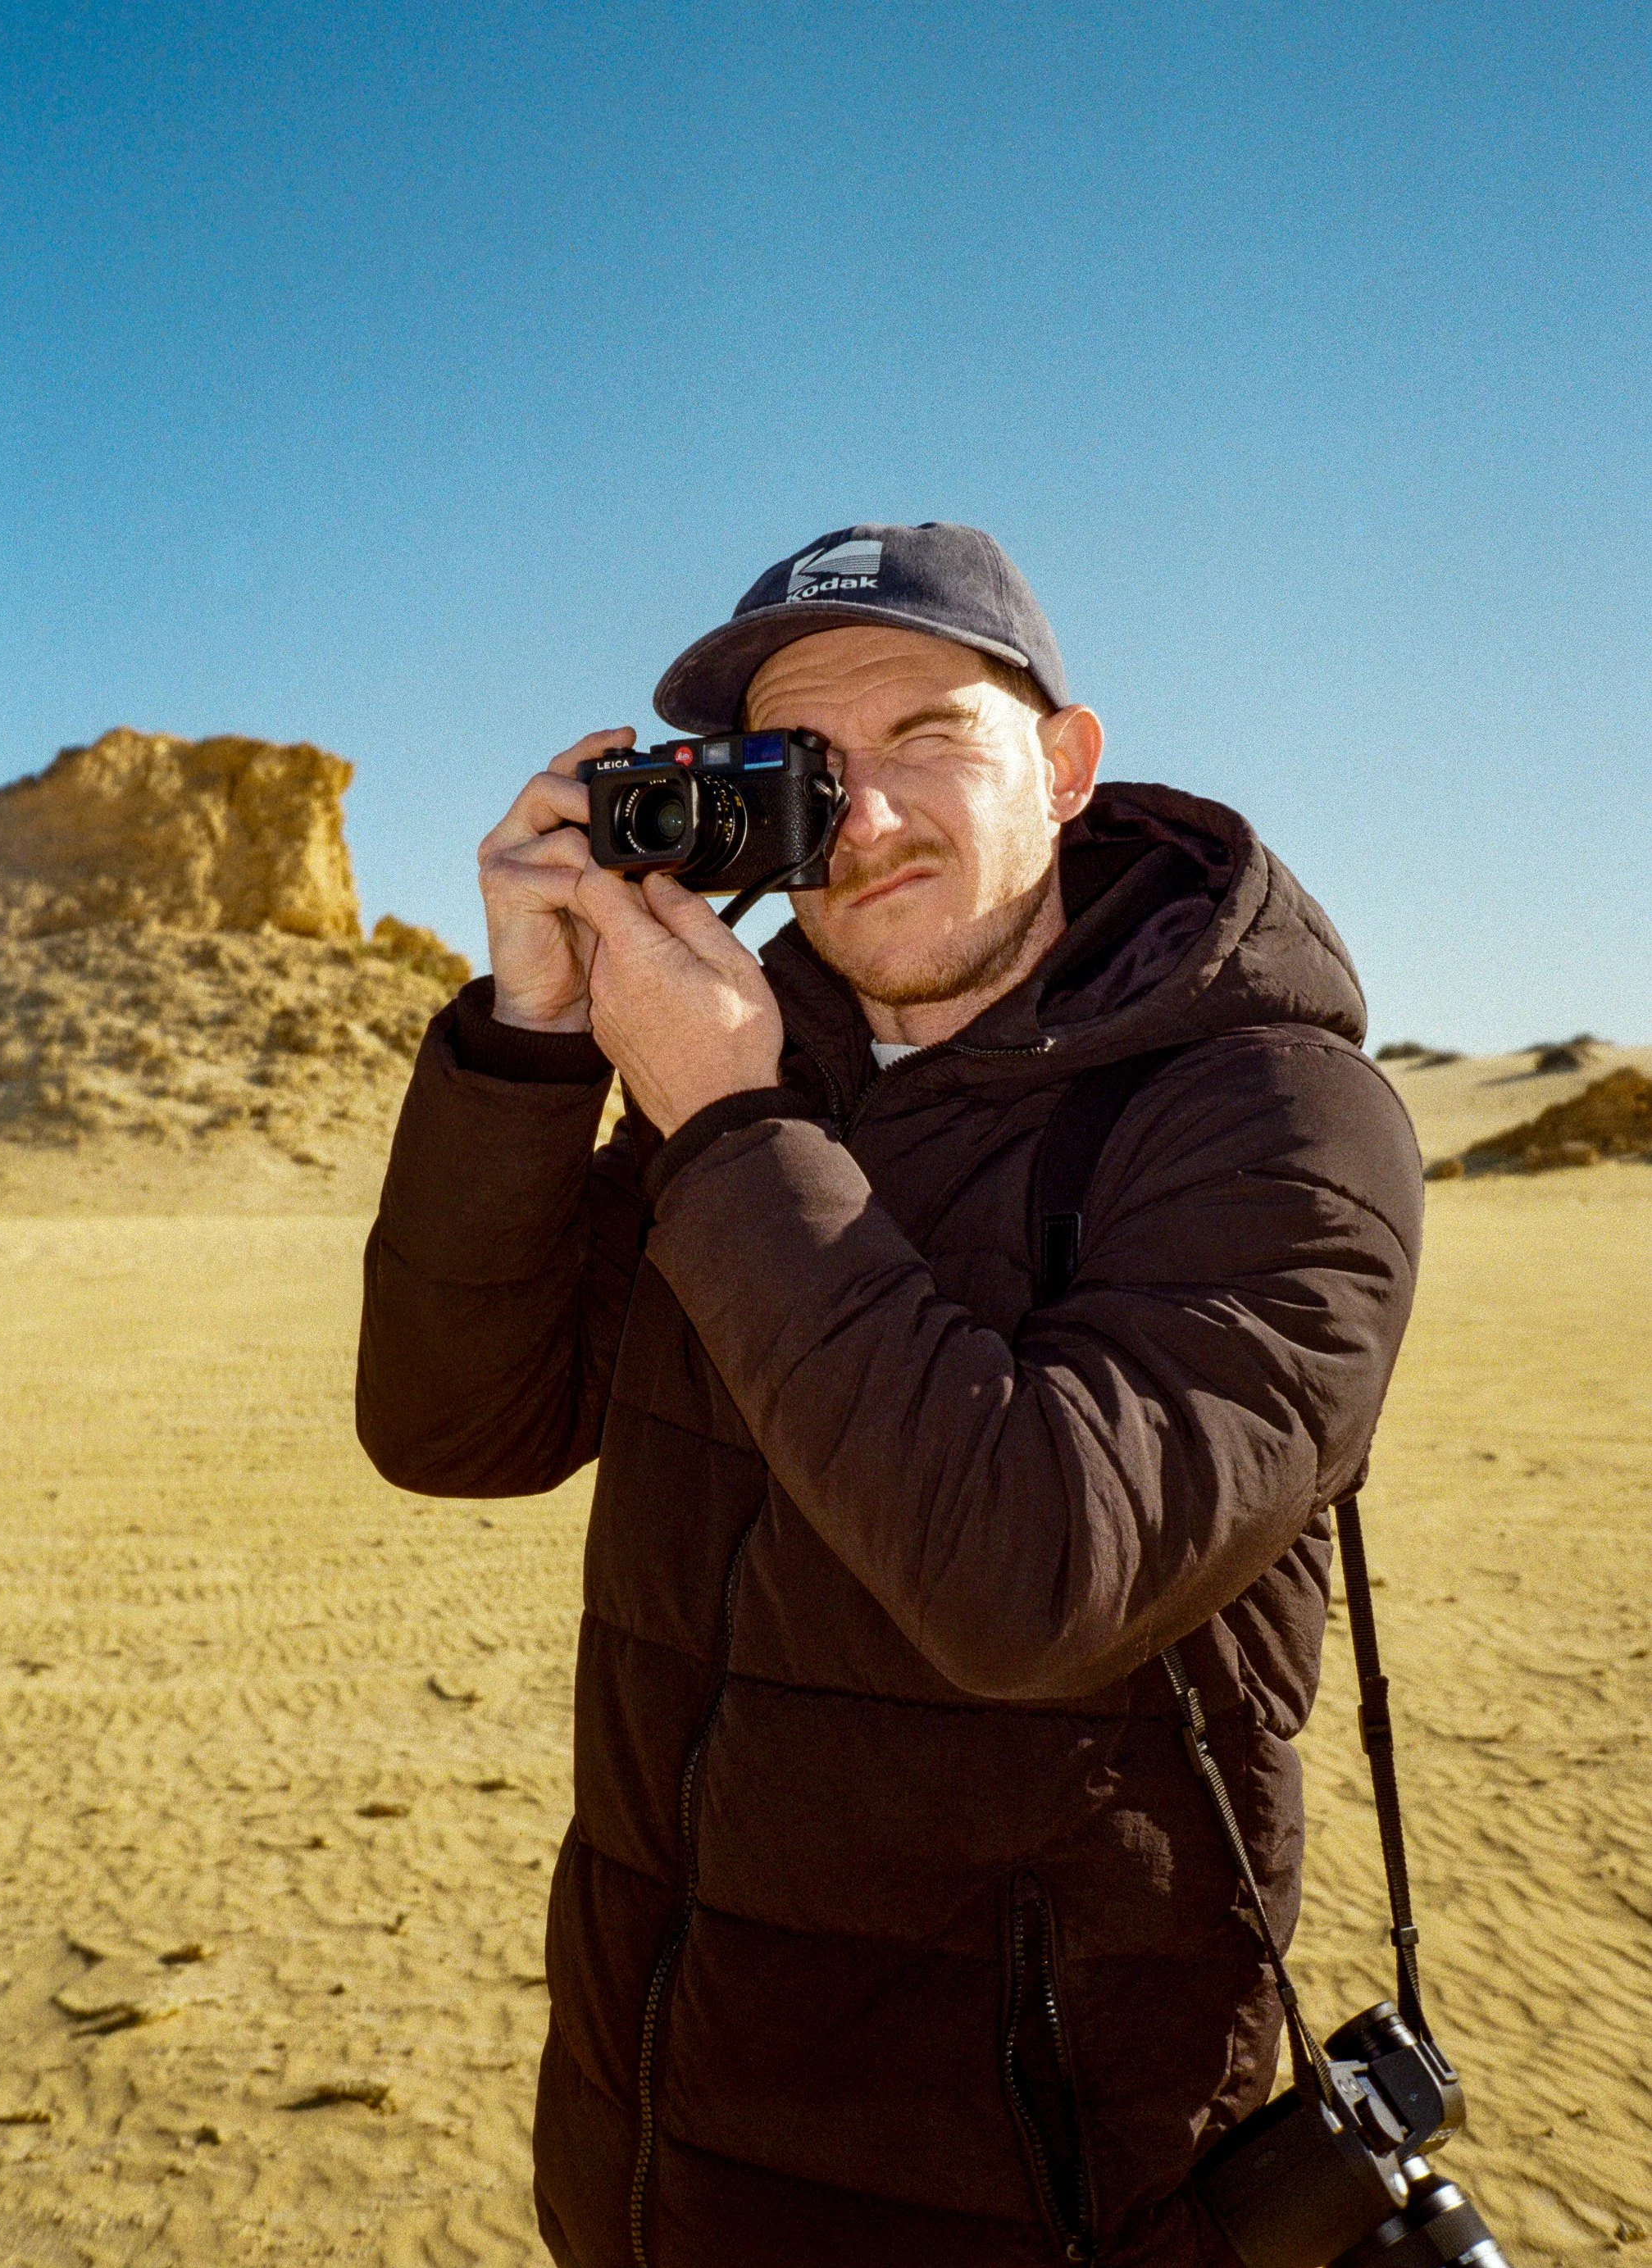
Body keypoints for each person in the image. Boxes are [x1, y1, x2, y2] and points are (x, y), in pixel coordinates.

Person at [357, 522, 1424, 2268]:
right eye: (806, 768)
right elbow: (452, 1429)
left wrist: (723, 1126)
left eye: (928, 736)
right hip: (650, 2154)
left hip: (1032, 2189)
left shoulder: (1276, 1121)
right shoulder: (771, 1075)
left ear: (1064, 766)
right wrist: (534, 1040)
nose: (863, 821)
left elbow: (1030, 1580)